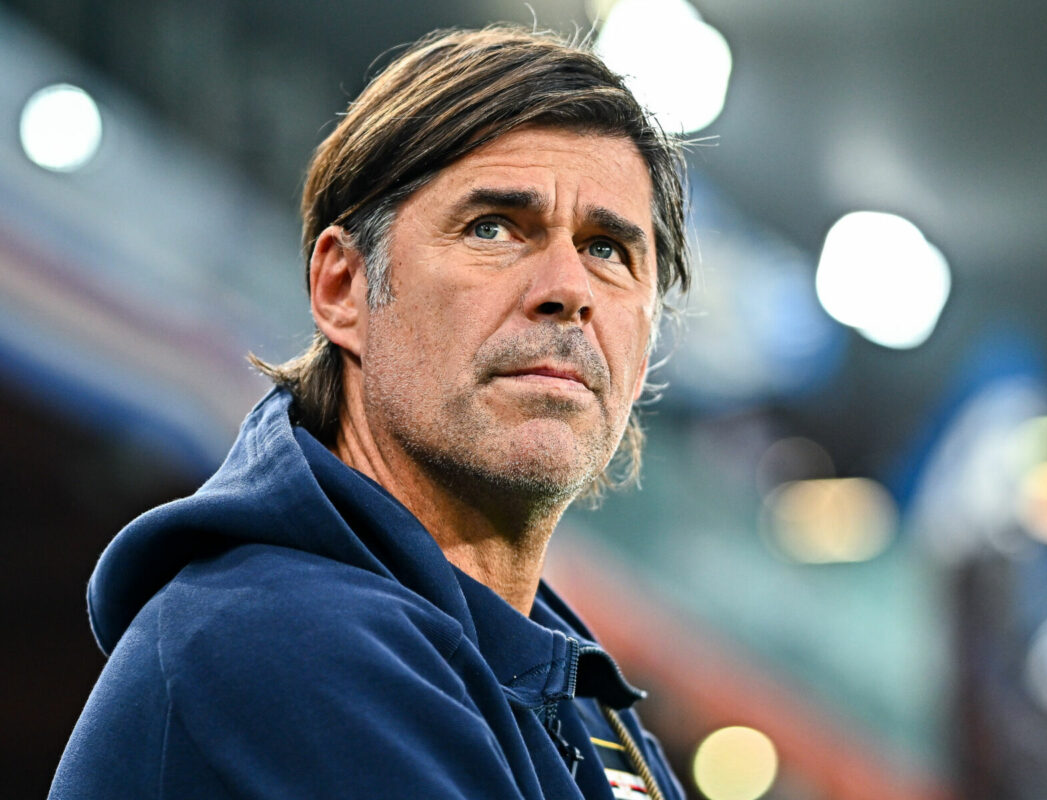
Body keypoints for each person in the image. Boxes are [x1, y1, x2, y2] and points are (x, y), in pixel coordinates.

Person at [50, 25, 689, 800]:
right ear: (343, 289)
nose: (569, 289)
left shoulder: (585, 707)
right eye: (493, 228)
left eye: (608, 249)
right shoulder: (280, 635)